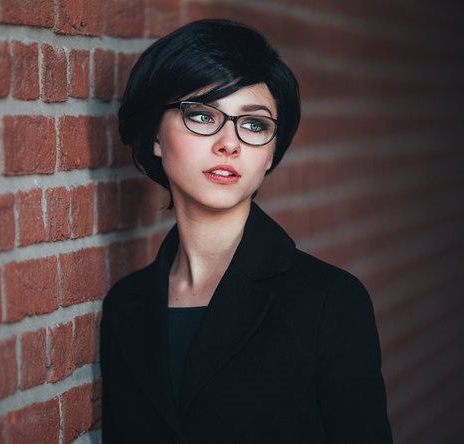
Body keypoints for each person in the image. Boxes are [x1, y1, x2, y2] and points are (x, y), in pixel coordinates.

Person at [100, 18, 393, 443]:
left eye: (254, 125)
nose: (229, 143)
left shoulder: (329, 302)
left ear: (271, 155)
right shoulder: (126, 307)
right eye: (202, 115)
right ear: (156, 138)